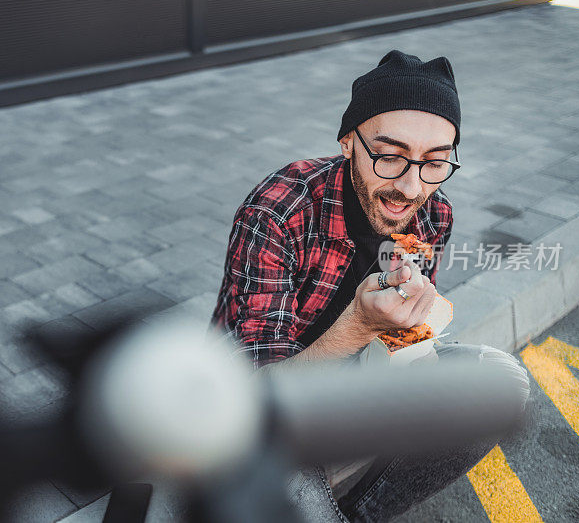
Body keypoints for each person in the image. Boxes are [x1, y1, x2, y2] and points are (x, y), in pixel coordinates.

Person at [209, 49, 530, 522]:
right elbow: (258, 401)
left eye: (434, 162)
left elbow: (403, 338)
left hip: (361, 380)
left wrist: (411, 330)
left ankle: (362, 511)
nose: (411, 188)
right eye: (389, 156)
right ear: (347, 142)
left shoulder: (434, 215)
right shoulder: (276, 214)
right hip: (261, 400)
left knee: (502, 383)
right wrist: (359, 325)